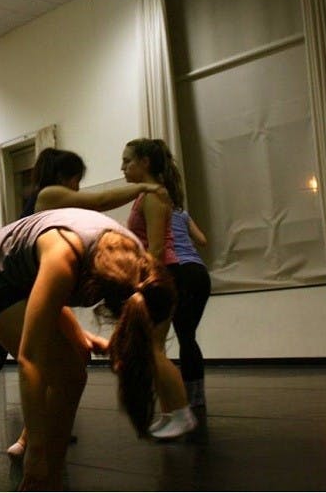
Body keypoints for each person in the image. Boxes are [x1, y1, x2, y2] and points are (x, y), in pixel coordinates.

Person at [0, 147, 167, 454]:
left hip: (31, 282)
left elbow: (57, 286)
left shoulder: (101, 245)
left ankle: (36, 435)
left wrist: (81, 335)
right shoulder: (50, 197)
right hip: (0, 283)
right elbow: (98, 202)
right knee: (2, 366)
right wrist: (143, 187)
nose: (78, 190)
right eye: (76, 181)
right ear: (63, 178)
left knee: (77, 354)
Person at [0, 207, 175, 490]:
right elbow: (29, 360)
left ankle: (40, 457)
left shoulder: (137, 263)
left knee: (77, 359)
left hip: (32, 271)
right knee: (68, 376)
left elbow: (61, 296)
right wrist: (38, 453)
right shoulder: (63, 260)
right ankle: (40, 467)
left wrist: (93, 340)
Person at [121, 138, 197, 439]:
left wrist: (143, 283)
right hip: (161, 274)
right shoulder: (144, 196)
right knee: (155, 347)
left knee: (151, 348)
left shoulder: (153, 197)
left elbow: (154, 249)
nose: (123, 167)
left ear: (145, 163)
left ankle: (182, 414)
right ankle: (170, 414)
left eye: (128, 161)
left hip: (162, 273)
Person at [169, 204, 210, 410]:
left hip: (181, 273)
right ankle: (197, 395)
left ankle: (191, 396)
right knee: (188, 336)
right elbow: (202, 240)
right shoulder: (182, 212)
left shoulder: (155, 210)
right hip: (200, 273)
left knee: (185, 337)